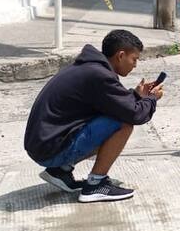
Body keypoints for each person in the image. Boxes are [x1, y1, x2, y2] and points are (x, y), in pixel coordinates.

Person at [24, 30, 164, 203]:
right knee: (123, 123)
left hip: (44, 144)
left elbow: (112, 103)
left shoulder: (91, 68)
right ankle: (95, 185)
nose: (135, 65)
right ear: (121, 55)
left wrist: (136, 96)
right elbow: (134, 115)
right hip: (49, 150)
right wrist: (151, 99)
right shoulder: (100, 75)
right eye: (134, 59)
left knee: (114, 116)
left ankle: (60, 170)